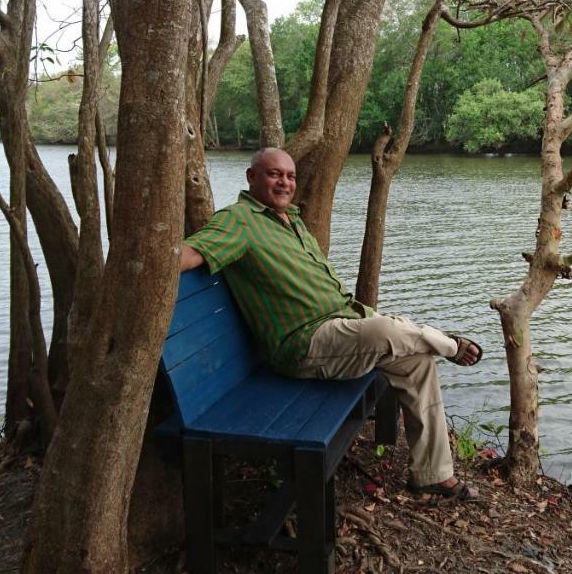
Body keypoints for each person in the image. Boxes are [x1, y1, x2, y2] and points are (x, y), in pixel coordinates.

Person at [178, 147, 483, 499]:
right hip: (305, 345)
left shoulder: (292, 221)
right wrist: (151, 255)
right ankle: (450, 344)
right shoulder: (238, 221)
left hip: (341, 325)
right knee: (386, 331)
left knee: (417, 362)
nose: (284, 182)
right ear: (252, 177)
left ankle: (432, 473)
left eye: (290, 176)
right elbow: (193, 252)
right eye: (274, 174)